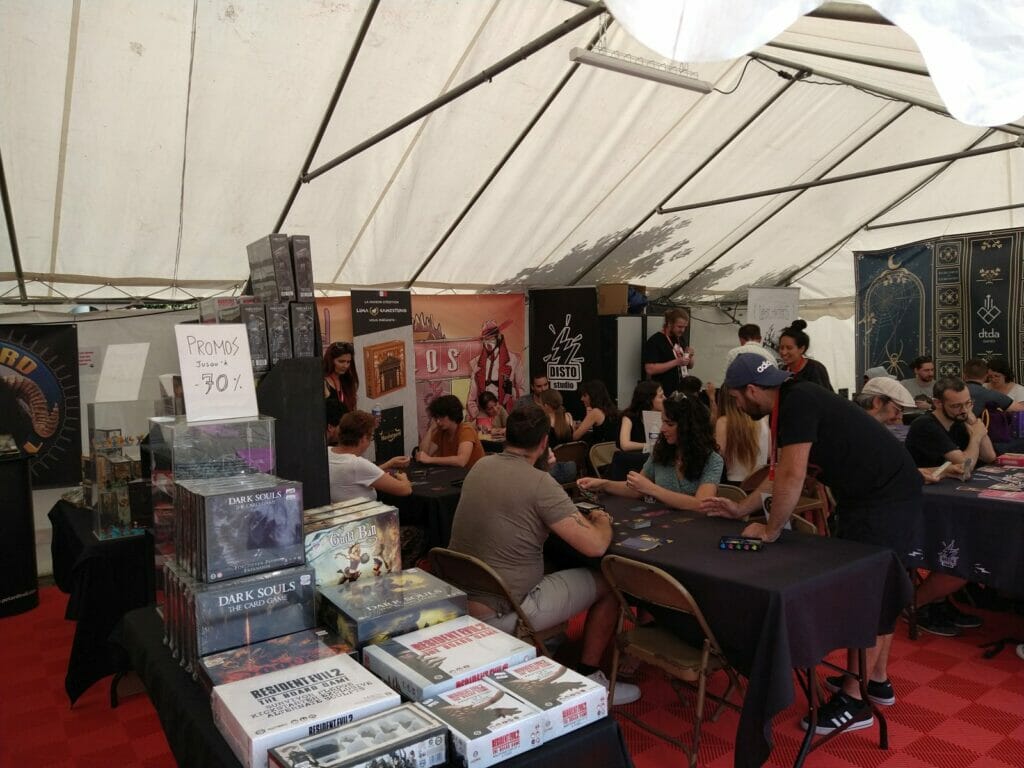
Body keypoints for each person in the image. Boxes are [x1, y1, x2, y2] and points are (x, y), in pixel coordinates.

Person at [701, 353, 921, 734]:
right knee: (877, 590)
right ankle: (876, 679)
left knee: (869, 593)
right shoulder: (792, 400)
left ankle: (855, 700)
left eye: (735, 398)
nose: (736, 406)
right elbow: (779, 474)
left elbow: (792, 475)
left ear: (751, 390)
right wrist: (741, 509)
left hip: (885, 499)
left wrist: (770, 530)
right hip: (876, 495)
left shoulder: (797, 403)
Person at [446, 405, 642, 705]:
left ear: (506, 436)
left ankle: (552, 642)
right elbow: (595, 546)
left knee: (553, 561)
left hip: (461, 598)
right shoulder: (540, 484)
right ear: (544, 443)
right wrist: (602, 520)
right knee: (610, 582)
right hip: (506, 608)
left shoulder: (481, 466)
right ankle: (591, 678)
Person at [886, 376, 988, 637]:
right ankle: (915, 605)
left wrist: (974, 423)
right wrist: (976, 437)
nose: (963, 410)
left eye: (967, 403)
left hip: (945, 500)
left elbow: (990, 457)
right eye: (956, 406)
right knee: (965, 552)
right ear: (937, 403)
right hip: (918, 506)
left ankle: (938, 601)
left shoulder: (958, 422)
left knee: (976, 538)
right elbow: (966, 467)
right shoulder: (926, 425)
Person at [578, 394, 723, 512]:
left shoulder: (712, 460)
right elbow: (636, 490)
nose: (662, 429)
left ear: (690, 428)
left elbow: (701, 505)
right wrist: (604, 484)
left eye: (670, 424)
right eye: (663, 422)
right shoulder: (661, 452)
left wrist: (652, 489)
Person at [328, 410, 412, 502]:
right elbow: (405, 489)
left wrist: (389, 464)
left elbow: (361, 474)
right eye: (371, 437)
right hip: (361, 511)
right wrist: (403, 478)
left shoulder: (327, 452)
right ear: (364, 438)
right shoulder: (357, 464)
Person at [466, 320, 525, 419]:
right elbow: (471, 400)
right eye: (485, 339)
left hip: (507, 415)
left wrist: (511, 391)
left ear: (498, 337)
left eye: (491, 338)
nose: (488, 343)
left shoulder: (513, 360)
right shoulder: (477, 363)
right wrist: (479, 417)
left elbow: (522, 391)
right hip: (485, 417)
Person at [715, 383, 769, 484]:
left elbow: (718, 456)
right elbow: (769, 453)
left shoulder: (723, 422)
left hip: (735, 485)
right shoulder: (763, 420)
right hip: (761, 483)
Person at [417, 394, 485, 469]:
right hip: (454, 473)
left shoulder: (466, 430)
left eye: (442, 416)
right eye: (436, 417)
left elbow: (461, 461)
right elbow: (423, 455)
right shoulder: (442, 431)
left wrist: (430, 459)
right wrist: (430, 429)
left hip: (473, 474)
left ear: (452, 414)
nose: (438, 421)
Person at [643, 308, 694, 396]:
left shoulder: (680, 338)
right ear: (670, 324)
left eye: (685, 327)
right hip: (664, 392)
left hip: (681, 390)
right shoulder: (655, 341)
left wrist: (690, 356)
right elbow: (650, 369)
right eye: (679, 327)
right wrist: (676, 362)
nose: (682, 330)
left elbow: (690, 366)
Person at [777, 319, 833, 391]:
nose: (784, 352)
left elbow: (823, 396)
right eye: (781, 348)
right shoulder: (783, 370)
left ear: (801, 349)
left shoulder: (815, 369)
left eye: (789, 348)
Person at [619, 381, 664, 452]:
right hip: (636, 456)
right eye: (661, 396)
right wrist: (650, 446)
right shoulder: (629, 417)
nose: (665, 398)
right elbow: (625, 445)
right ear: (649, 400)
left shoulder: (664, 416)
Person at [323, 341, 359, 410]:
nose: (345, 366)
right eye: (341, 361)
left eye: (348, 362)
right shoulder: (323, 383)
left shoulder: (348, 380)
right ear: (330, 360)